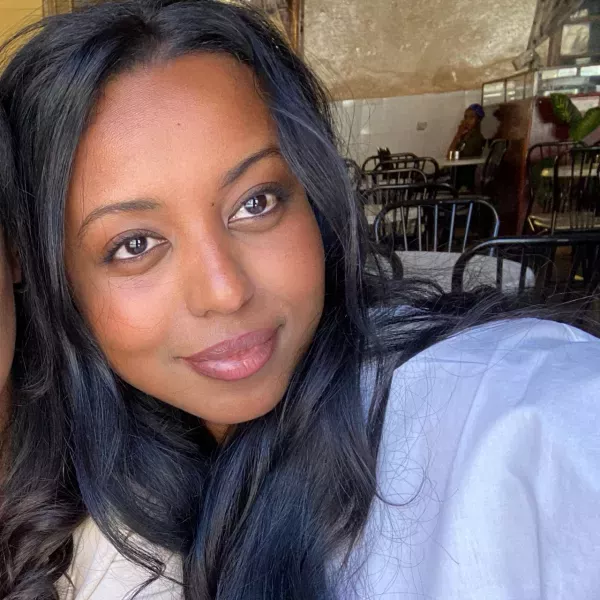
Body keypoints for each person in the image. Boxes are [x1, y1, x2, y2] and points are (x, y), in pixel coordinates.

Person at [1, 1, 600, 599]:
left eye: (255, 202)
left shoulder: (513, 425)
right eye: (135, 244)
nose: (225, 292)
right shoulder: (106, 481)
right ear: (48, 271)